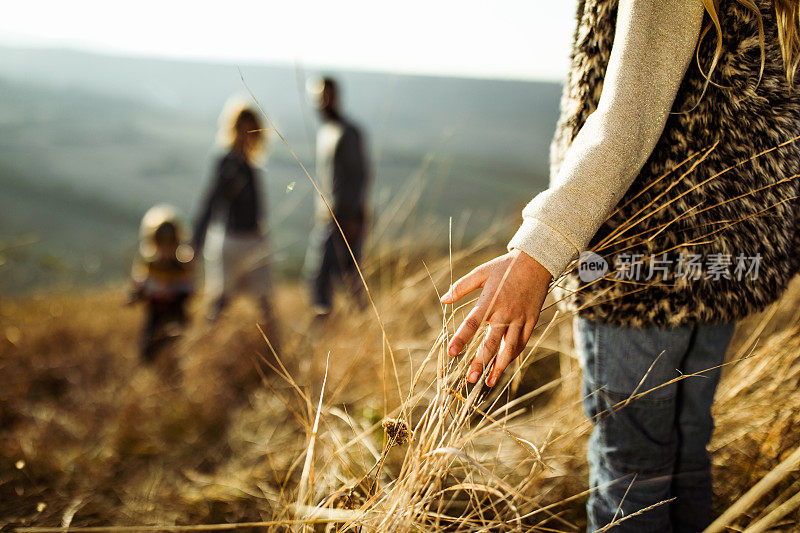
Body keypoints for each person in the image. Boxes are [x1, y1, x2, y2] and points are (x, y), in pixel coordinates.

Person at [440, 0, 800, 530]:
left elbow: (628, 119)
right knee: (685, 453)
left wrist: (537, 253)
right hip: (726, 264)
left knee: (632, 472)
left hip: (633, 267)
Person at [192, 102, 278, 332]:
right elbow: (211, 202)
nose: (246, 136)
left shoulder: (249, 164)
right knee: (220, 301)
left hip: (253, 241)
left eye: (251, 130)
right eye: (242, 129)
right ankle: (201, 347)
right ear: (233, 129)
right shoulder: (228, 163)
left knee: (264, 302)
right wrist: (195, 243)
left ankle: (276, 351)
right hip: (231, 241)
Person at [304, 77, 370, 319]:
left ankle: (352, 327)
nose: (324, 101)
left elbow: (360, 175)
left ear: (337, 97)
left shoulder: (347, 133)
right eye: (320, 96)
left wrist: (353, 218)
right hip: (328, 219)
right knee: (331, 279)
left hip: (344, 220)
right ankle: (331, 328)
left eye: (328, 95)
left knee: (338, 279)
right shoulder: (326, 131)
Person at [129, 205, 194, 363]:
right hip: (154, 316)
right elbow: (138, 288)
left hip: (176, 316)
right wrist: (137, 294)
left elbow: (190, 290)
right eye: (161, 242)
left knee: (178, 351)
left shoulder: (183, 268)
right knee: (148, 351)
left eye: (169, 242)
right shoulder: (148, 267)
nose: (165, 248)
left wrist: (175, 296)